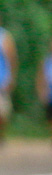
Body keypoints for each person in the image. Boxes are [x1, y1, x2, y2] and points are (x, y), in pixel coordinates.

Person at [0, 17, 18, 145]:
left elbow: (12, 58)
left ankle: (1, 134)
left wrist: (11, 78)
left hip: (1, 80)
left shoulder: (4, 37)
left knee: (2, 112)